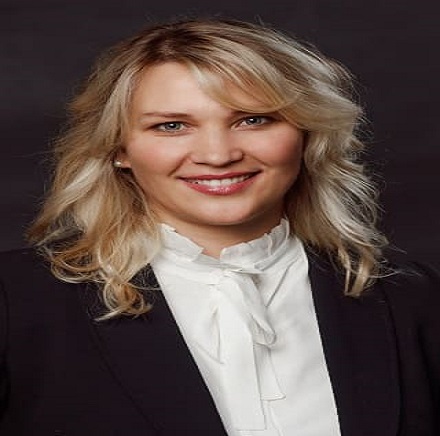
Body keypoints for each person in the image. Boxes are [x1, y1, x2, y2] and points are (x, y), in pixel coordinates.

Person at [0, 18, 439, 436]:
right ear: (119, 148)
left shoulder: (414, 299)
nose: (218, 154)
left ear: (307, 134)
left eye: (253, 119)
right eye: (172, 126)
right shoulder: (15, 301)